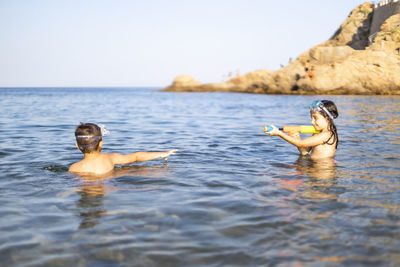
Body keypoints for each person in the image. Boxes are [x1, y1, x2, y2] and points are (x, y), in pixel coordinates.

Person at [69, 123, 177, 175]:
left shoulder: (73, 168)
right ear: (100, 143)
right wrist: (162, 154)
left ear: (77, 146)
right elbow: (136, 157)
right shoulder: (110, 158)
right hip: (108, 186)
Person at [266, 100, 339, 160]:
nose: (312, 122)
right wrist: (296, 137)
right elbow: (304, 151)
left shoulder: (327, 135)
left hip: (323, 171)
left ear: (327, 118)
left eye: (315, 118)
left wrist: (279, 133)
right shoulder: (318, 133)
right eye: (311, 118)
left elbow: (301, 143)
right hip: (314, 167)